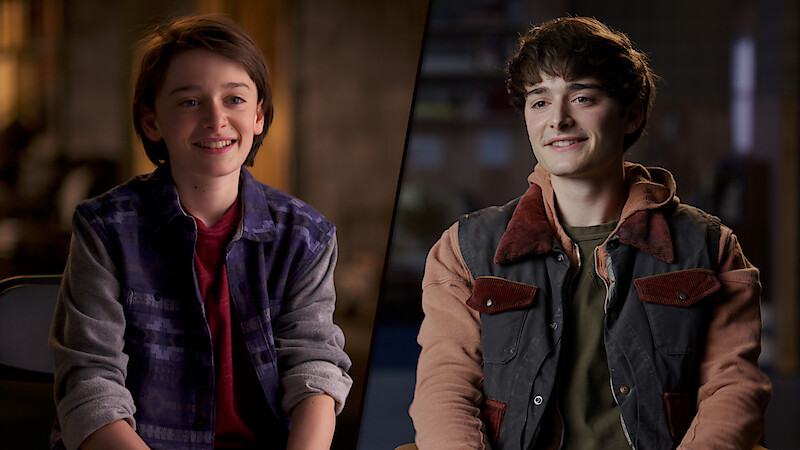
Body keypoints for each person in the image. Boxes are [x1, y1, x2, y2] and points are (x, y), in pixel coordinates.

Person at [409, 17, 771, 449]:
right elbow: (445, 391)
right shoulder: (465, 249)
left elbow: (733, 389)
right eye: (539, 102)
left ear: (630, 113)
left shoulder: (709, 246)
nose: (558, 119)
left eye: (581, 97)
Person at [49, 14, 352, 450]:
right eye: (190, 102)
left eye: (234, 100)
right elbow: (90, 386)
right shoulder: (105, 229)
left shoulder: (305, 236)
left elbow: (315, 367)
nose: (216, 119)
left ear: (259, 116)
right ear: (151, 121)